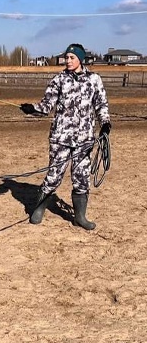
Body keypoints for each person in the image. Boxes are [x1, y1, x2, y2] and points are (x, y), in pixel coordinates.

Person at [20, 43, 111, 230]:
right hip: (60, 137)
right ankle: (38, 208)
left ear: (80, 59)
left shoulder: (94, 80)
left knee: (81, 178)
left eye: (72, 58)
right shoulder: (59, 79)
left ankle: (80, 216)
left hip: (84, 139)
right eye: (66, 58)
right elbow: (46, 106)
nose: (68, 61)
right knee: (54, 175)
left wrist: (105, 124)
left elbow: (101, 104)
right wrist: (32, 109)